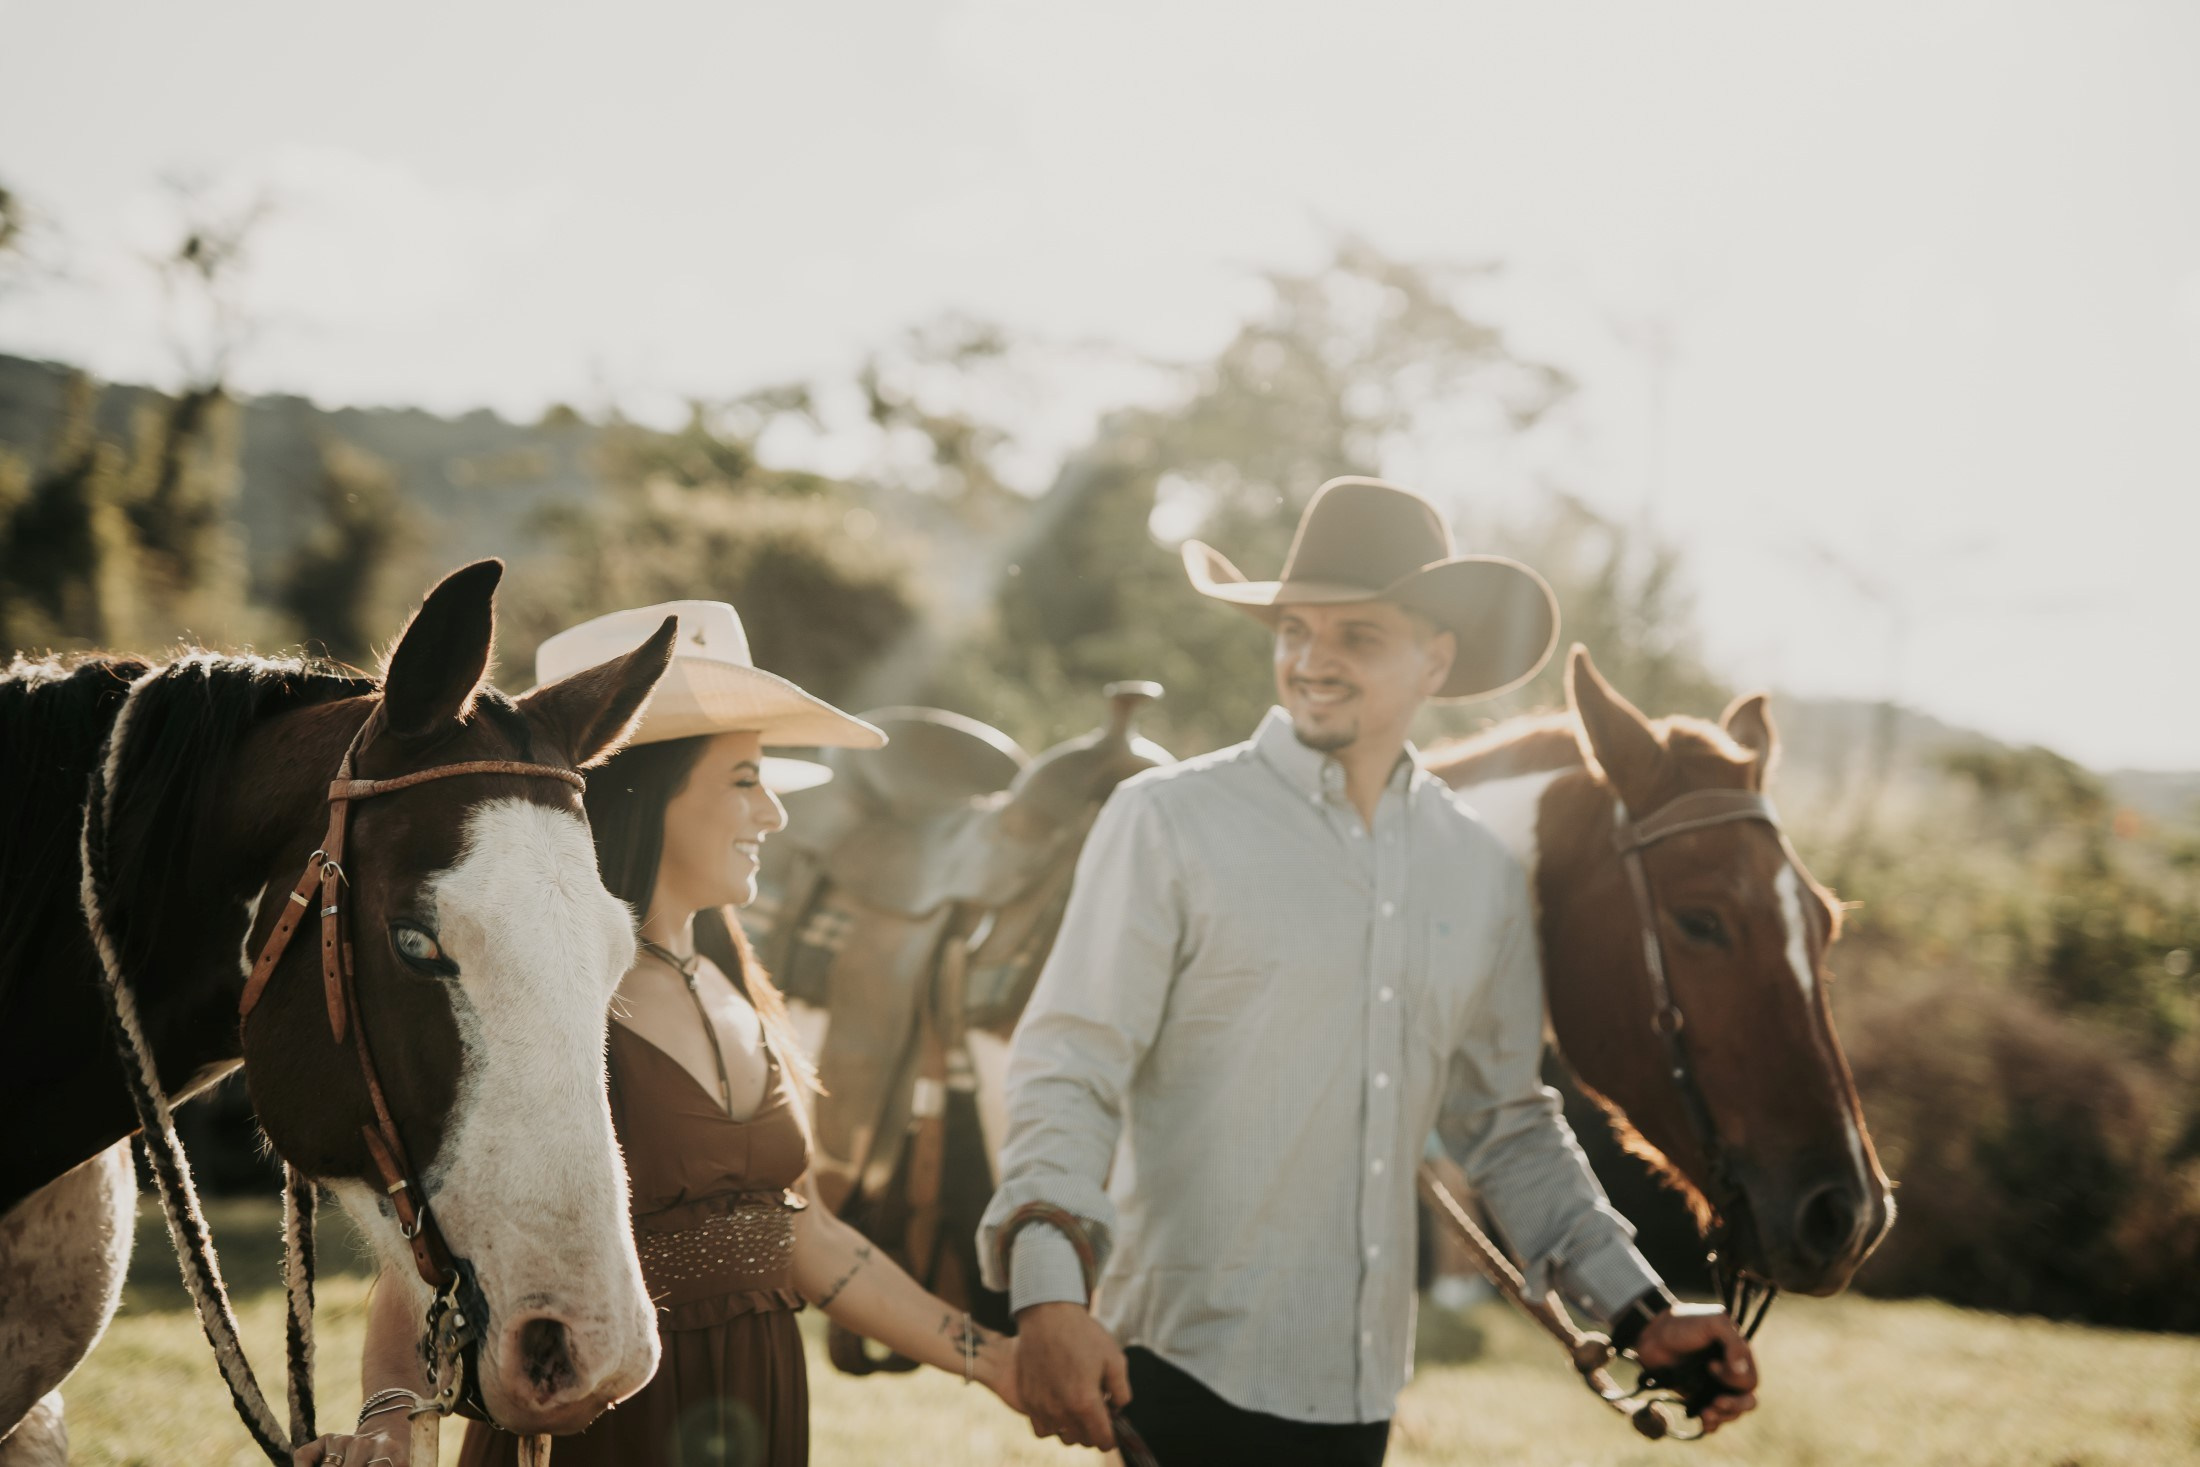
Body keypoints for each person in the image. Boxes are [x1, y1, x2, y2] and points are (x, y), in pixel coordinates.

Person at [978, 478, 1760, 1466]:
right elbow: (1068, 1064)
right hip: (1172, 1374)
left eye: (1357, 635)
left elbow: (1503, 1122)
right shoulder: (1167, 823)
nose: (1311, 660)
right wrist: (1049, 1290)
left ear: (1436, 658)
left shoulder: (1474, 872)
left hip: (1357, 1392)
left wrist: (1639, 1308)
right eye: (1295, 629)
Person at [298, 600, 1023, 1467]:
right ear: (651, 790)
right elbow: (439, 1232)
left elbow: (804, 1236)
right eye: (746, 780)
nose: (775, 817)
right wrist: (390, 1415)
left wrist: (998, 1361)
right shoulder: (560, 1003)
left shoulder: (737, 989)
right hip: (601, 1430)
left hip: (753, 1414)